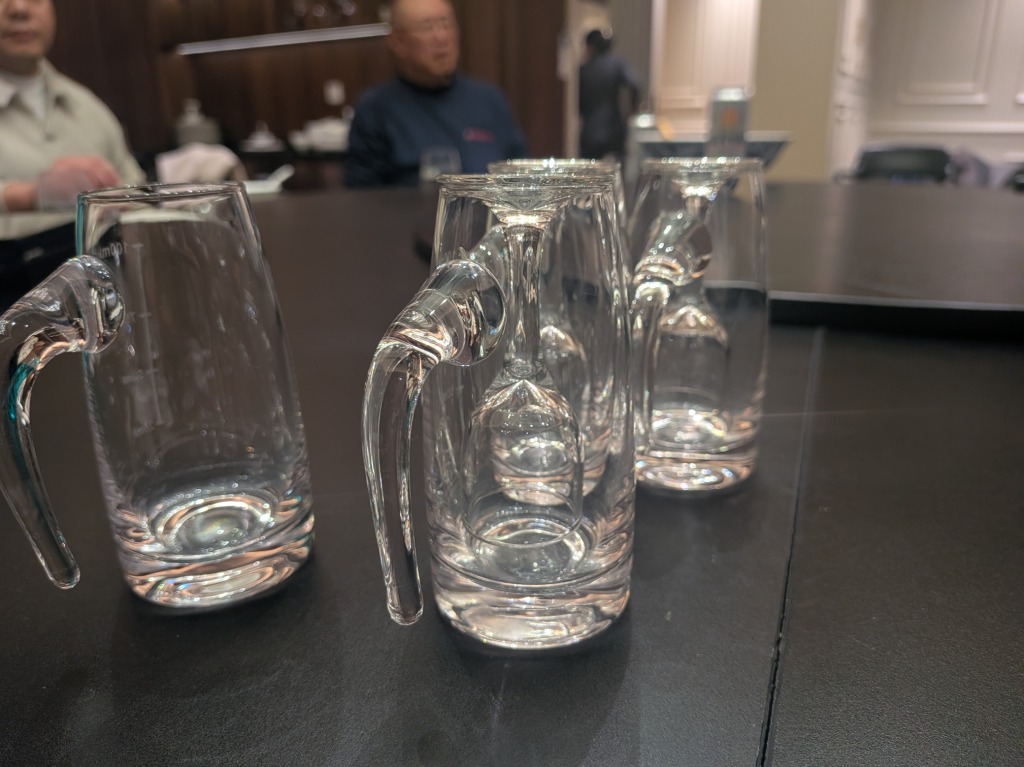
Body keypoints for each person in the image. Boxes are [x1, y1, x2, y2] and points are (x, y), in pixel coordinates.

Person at [0, 0, 145, 242]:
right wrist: (29, 195)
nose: (20, 8)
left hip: (101, 256)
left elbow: (136, 195)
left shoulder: (88, 106)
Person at [344, 0, 527, 188]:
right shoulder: (375, 109)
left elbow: (521, 176)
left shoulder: (489, 100)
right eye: (427, 27)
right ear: (398, 41)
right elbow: (361, 195)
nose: (441, 37)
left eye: (447, 24)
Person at [578, 28, 640, 160]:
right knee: (617, 168)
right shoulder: (618, 64)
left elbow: (580, 104)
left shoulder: (584, 69)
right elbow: (634, 85)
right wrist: (632, 111)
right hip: (614, 128)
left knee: (590, 169)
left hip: (590, 131)